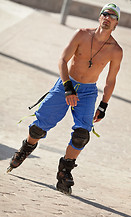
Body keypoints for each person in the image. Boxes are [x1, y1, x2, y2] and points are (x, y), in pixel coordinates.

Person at [7, 3, 123, 194]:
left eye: (112, 16)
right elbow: (62, 60)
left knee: (81, 135)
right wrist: (68, 87)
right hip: (65, 85)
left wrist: (103, 105)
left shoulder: (116, 50)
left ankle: (65, 172)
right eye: (105, 14)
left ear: (116, 22)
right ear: (99, 17)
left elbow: (111, 80)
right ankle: (26, 148)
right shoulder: (82, 34)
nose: (107, 18)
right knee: (38, 128)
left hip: (88, 92)